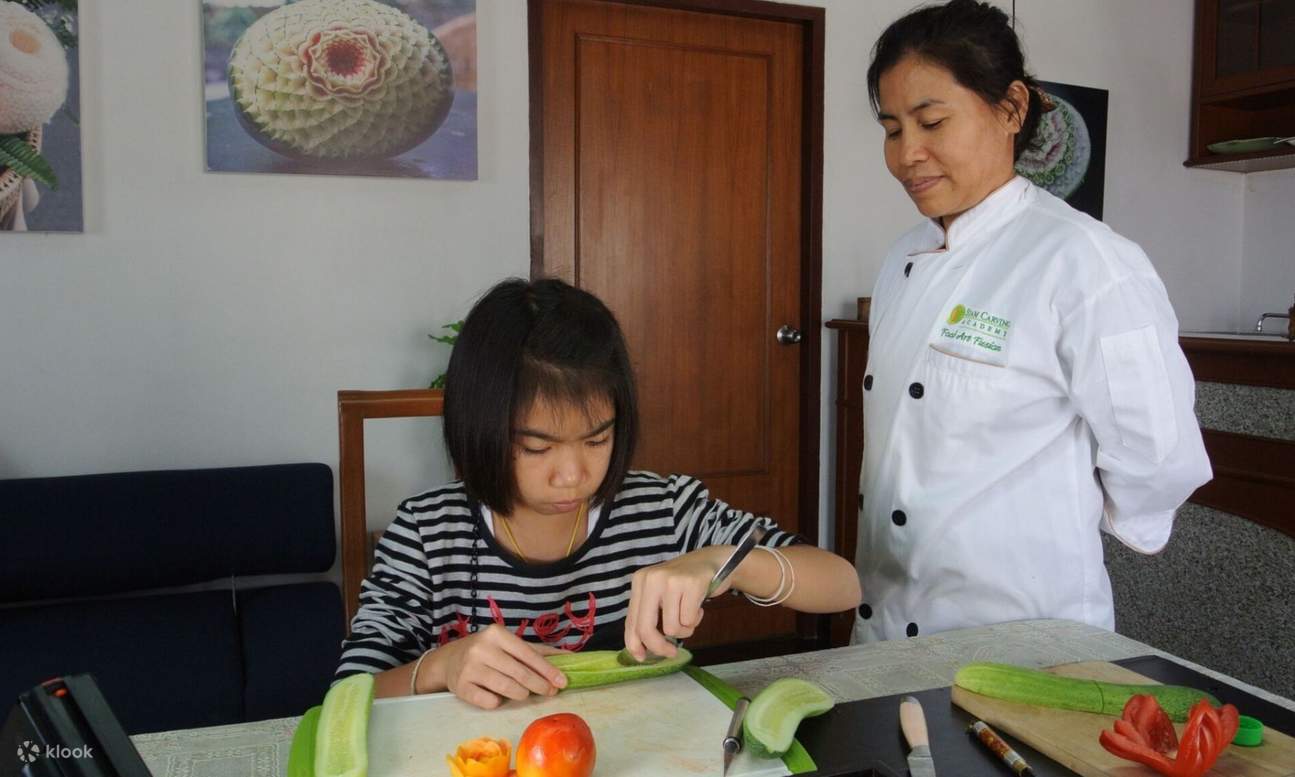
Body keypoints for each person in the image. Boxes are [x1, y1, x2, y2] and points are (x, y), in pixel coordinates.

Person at [853, 0, 1211, 644]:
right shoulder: (902, 255)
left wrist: (1039, 513)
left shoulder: (1087, 262)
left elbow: (1159, 461)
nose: (910, 154)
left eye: (932, 121)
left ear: (1012, 108)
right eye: (892, 129)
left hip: (1023, 636)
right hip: (883, 623)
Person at [337, 278, 861, 708]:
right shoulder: (427, 532)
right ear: (480, 427)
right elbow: (350, 693)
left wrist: (723, 563)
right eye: (536, 446)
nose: (572, 474)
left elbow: (842, 586)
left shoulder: (663, 509)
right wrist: (441, 666)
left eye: (597, 439)